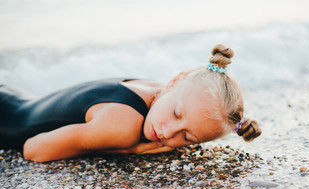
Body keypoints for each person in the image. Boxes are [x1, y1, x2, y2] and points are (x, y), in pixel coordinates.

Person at [0, 44, 261, 162]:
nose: (168, 133)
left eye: (187, 137)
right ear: (174, 81)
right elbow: (32, 149)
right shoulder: (122, 128)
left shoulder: (155, 90)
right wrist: (128, 150)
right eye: (176, 114)